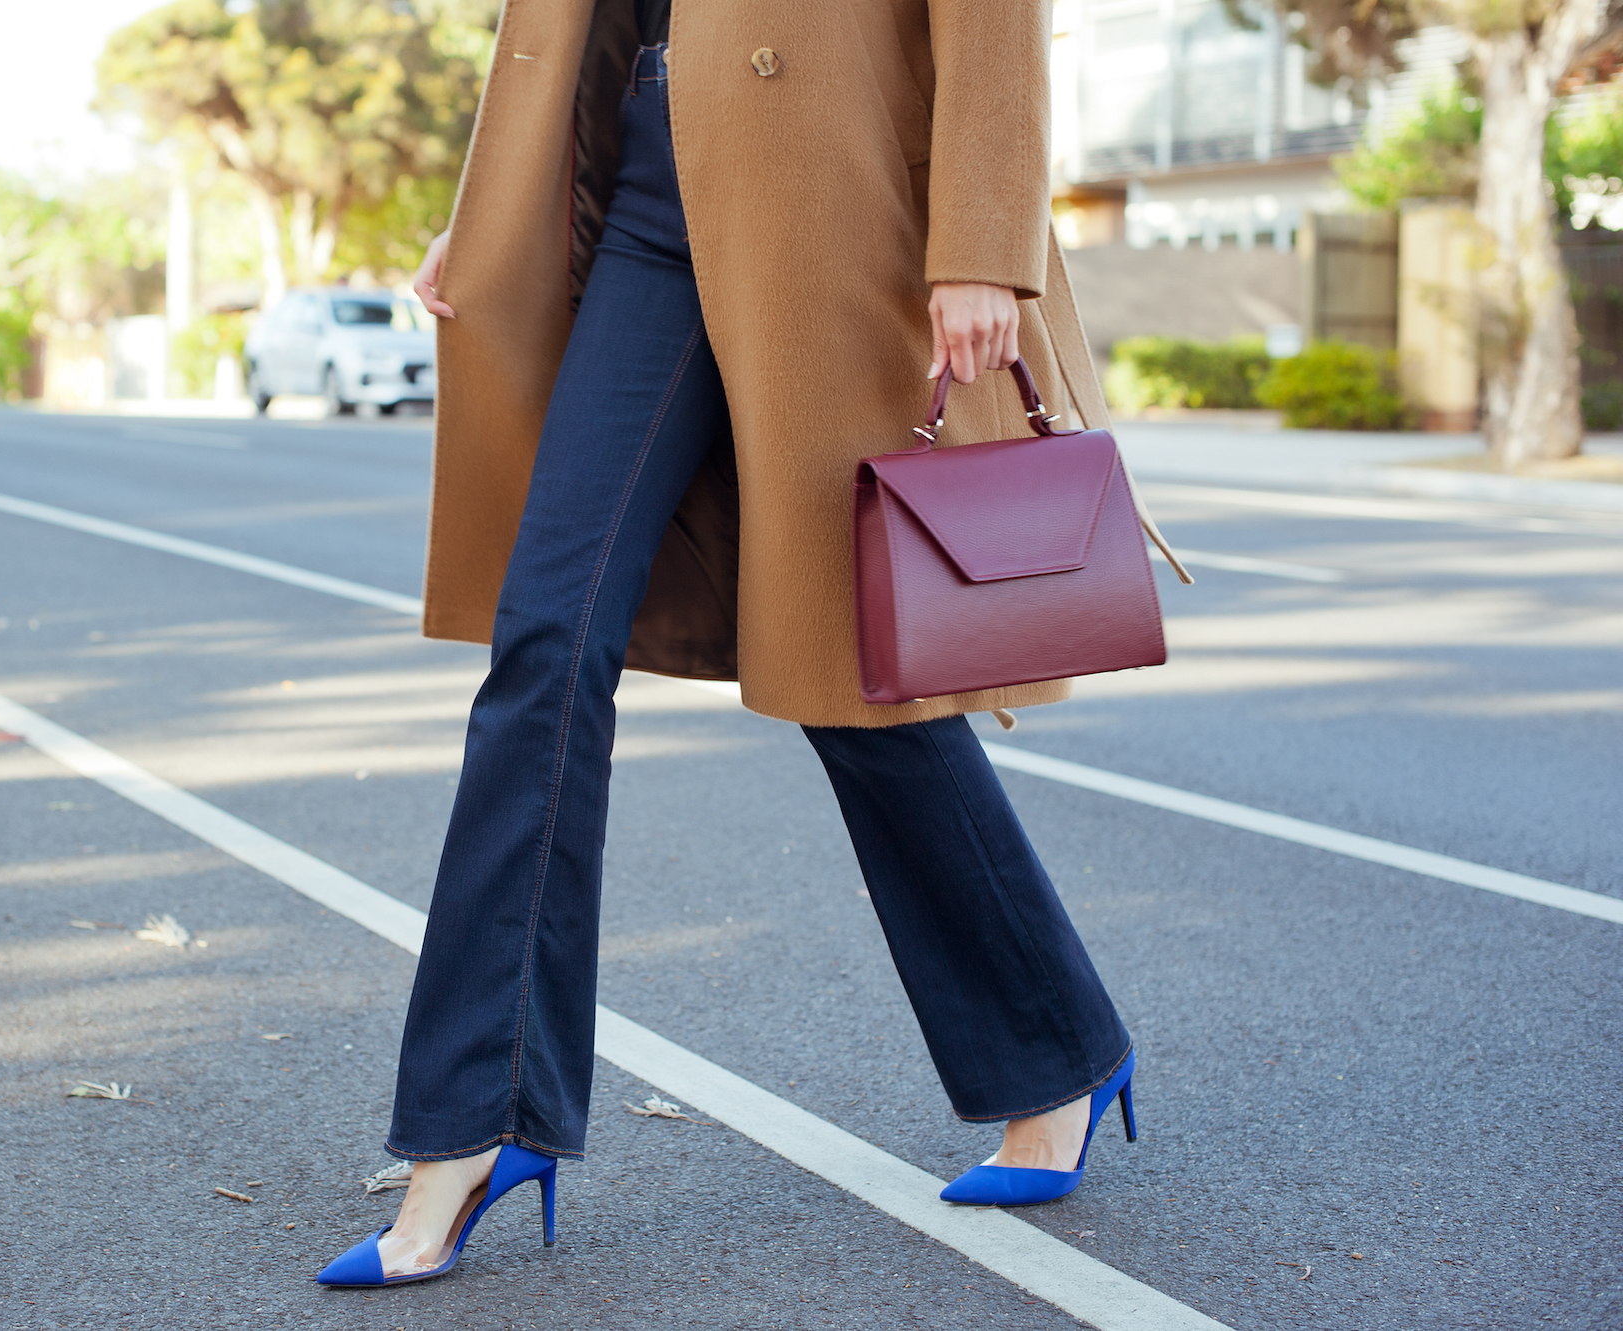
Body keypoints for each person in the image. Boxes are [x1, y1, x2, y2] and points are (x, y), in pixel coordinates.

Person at [317, 0, 1178, 1288]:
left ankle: (1053, 1051)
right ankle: (480, 1117)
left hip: (831, 193)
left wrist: (982, 243)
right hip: (642, 196)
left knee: (846, 670)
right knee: (546, 636)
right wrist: (500, 207)